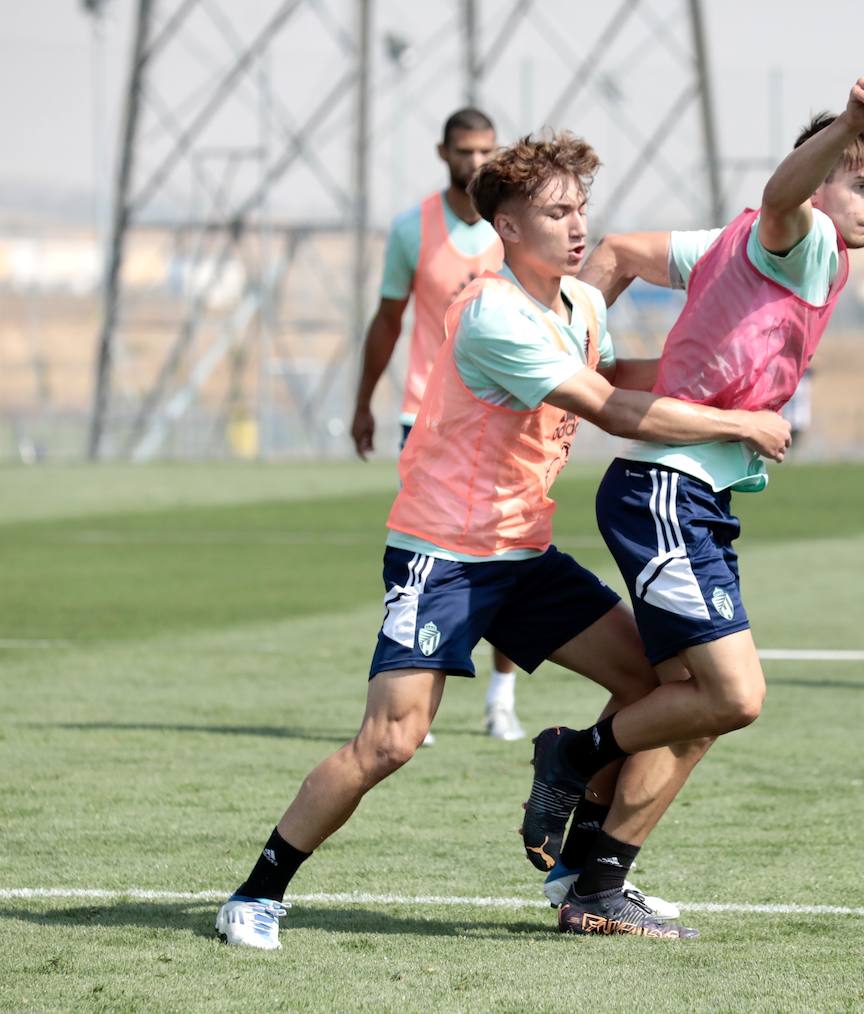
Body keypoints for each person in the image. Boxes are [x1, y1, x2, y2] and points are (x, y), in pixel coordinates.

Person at [215, 131, 792, 949]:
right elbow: (609, 409)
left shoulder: (582, 304)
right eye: (557, 212)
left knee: (667, 691)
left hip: (524, 554)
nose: (578, 225)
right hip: (443, 555)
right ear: (509, 229)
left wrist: (731, 369)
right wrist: (738, 419)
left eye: (582, 207)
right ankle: (259, 890)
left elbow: (626, 378)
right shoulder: (492, 315)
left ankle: (585, 874)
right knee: (392, 741)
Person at [514, 73, 864, 932]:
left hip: (695, 497)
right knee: (734, 695)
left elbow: (615, 253)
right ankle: (572, 755)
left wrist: (583, 359)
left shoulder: (727, 243)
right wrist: (850, 121)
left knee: (691, 713)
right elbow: (780, 198)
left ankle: (596, 889)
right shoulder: (800, 237)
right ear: (823, 177)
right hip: (666, 491)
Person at [348, 108, 524, 742]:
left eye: (485, 151)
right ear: (443, 152)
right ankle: (411, 697)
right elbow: (388, 320)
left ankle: (501, 696)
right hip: (426, 418)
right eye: (463, 151)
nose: (475, 162)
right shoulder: (411, 229)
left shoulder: (518, 226)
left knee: (507, 552)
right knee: (429, 558)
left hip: (507, 417)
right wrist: (364, 400)